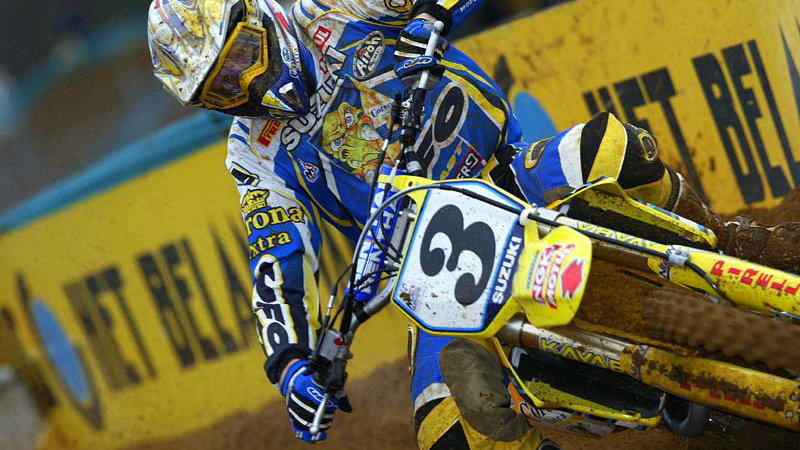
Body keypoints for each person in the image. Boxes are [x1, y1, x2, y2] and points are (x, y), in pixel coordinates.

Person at [147, 1, 800, 448]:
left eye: (243, 54)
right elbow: (275, 257)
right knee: (451, 428)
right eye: (222, 89)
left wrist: (432, 12)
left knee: (616, 149)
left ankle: (732, 242)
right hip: (428, 270)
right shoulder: (254, 154)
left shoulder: (333, 9)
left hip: (507, 173)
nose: (249, 83)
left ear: (258, 17)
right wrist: (290, 362)